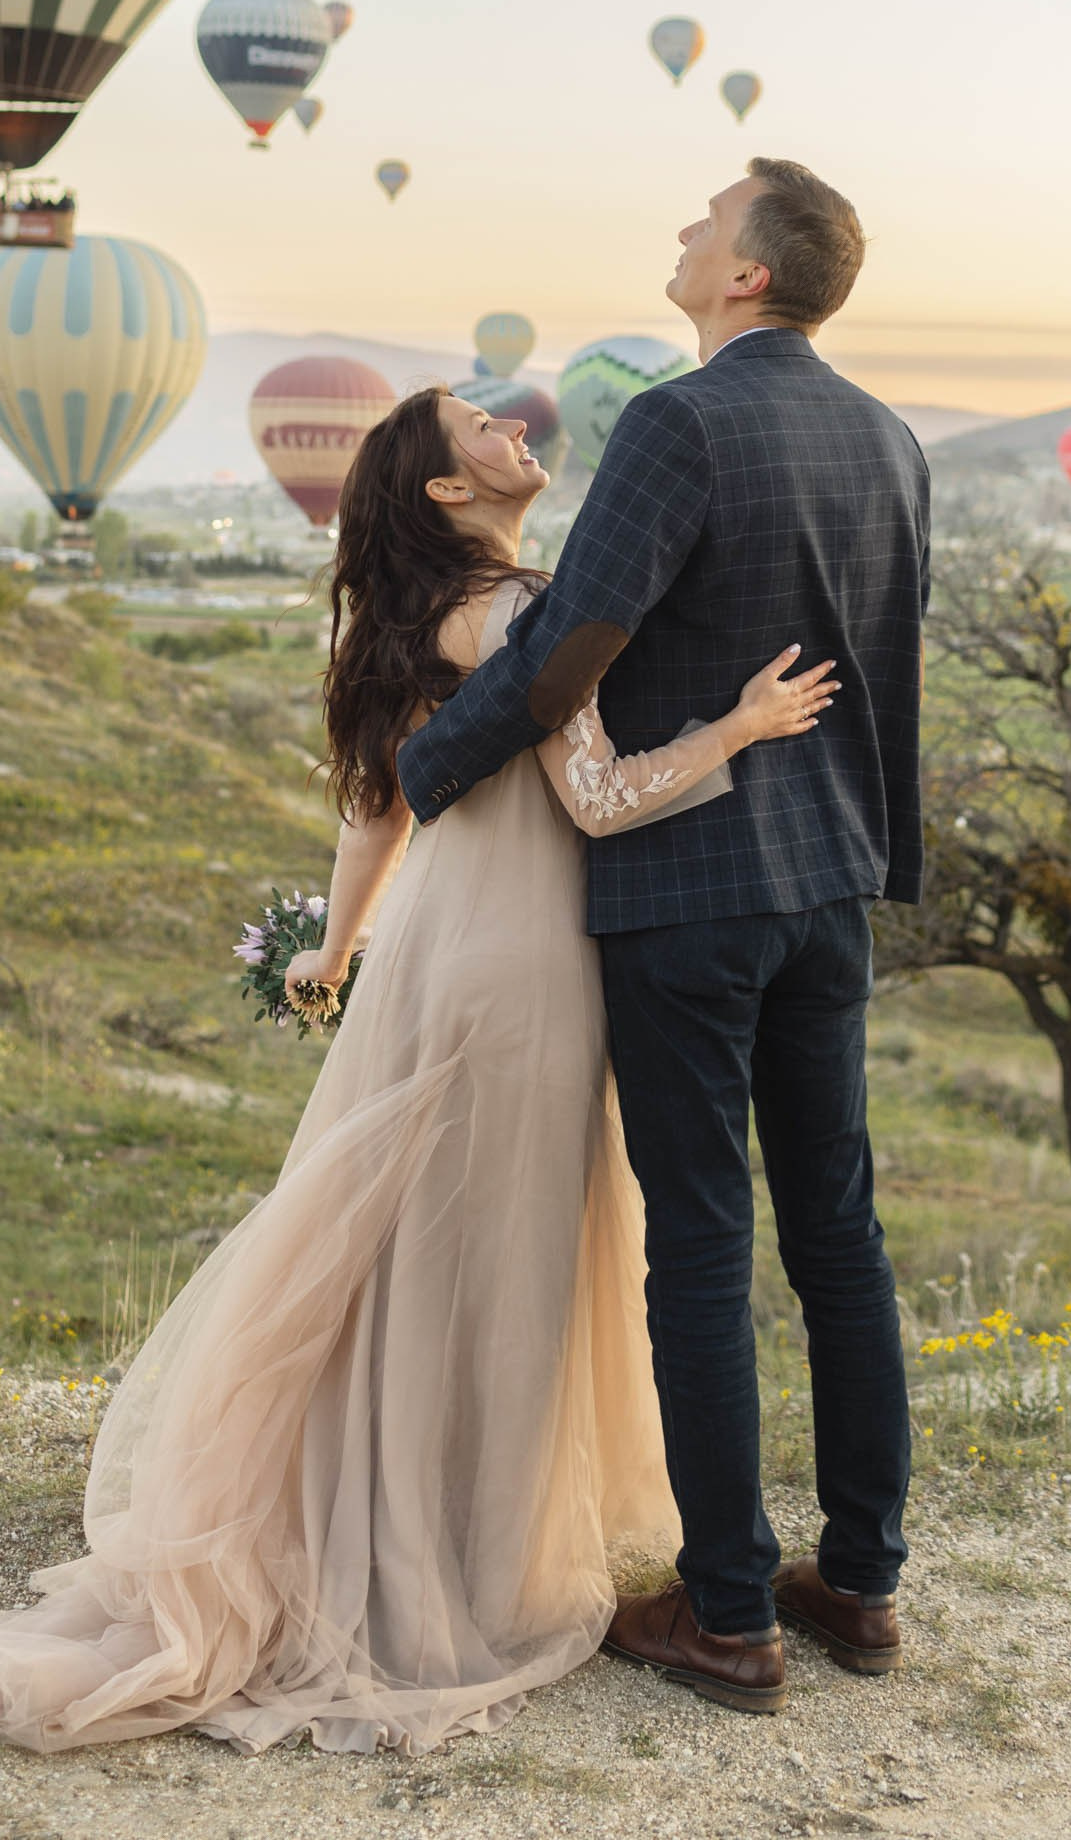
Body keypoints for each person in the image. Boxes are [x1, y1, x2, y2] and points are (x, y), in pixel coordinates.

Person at [0, 391, 835, 1755]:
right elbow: (596, 799)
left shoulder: (398, 622)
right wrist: (740, 727)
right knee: (506, 1250)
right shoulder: (517, 612)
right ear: (443, 490)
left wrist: (334, 955)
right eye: (478, 425)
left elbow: (375, 814)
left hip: (439, 955)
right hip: (529, 963)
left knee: (419, 1243)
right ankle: (462, 1552)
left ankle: (397, 1516)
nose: (513, 428)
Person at [399, 158, 929, 1714]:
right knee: (837, 1236)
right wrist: (874, 846)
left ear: (747, 273)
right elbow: (890, 668)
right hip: (827, 883)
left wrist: (429, 764)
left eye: (707, 220)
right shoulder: (889, 437)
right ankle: (861, 1584)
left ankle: (728, 1616)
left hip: (688, 889)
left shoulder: (676, 422)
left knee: (698, 1243)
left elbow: (571, 645)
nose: (684, 232)